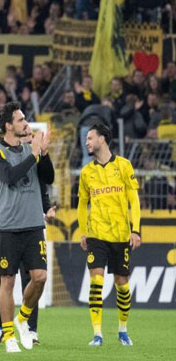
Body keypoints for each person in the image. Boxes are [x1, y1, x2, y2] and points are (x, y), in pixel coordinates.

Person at [0, 102, 54, 353]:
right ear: (8, 126)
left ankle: (23, 317)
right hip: (7, 227)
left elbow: (48, 178)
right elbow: (10, 177)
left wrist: (43, 154)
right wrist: (34, 155)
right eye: (20, 119)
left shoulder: (31, 149)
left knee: (40, 277)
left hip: (34, 225)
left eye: (25, 118)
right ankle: (8, 336)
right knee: (7, 281)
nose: (26, 123)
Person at [78, 122, 141, 347]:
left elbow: (134, 200)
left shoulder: (124, 166)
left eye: (90, 138)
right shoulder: (86, 172)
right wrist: (83, 232)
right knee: (96, 282)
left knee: (122, 285)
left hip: (121, 235)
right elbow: (82, 204)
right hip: (96, 234)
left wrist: (135, 230)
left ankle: (122, 330)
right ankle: (97, 334)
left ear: (102, 139)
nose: (87, 142)